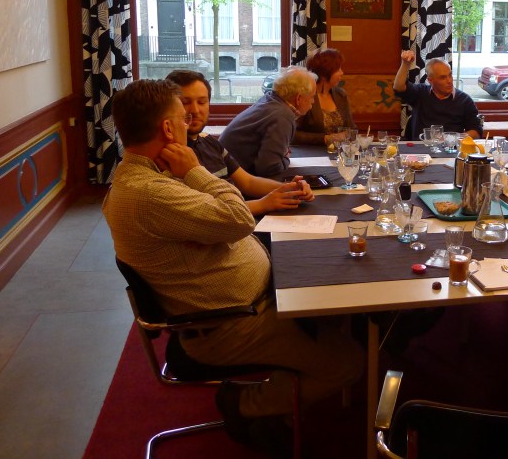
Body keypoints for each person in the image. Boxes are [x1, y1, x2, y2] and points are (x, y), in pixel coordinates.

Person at [103, 79, 363, 452]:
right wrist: (196, 170)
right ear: (168, 129)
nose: (189, 121)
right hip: (229, 325)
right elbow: (239, 217)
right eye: (182, 116)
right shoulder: (150, 193)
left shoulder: (146, 175)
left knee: (330, 300)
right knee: (349, 362)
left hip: (247, 301)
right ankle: (244, 404)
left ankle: (284, 392)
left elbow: (222, 219)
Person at [165, 70, 315, 215]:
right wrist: (263, 204)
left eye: (202, 102)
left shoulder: (208, 141)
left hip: (240, 210)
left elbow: (248, 182)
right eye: (185, 102)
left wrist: (288, 188)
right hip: (234, 219)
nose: (195, 110)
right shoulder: (171, 156)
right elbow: (206, 211)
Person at [220, 67, 317, 178]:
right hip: (231, 180)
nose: (313, 101)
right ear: (299, 98)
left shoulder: (270, 100)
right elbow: (268, 168)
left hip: (226, 170)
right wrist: (286, 158)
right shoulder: (283, 116)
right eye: (312, 97)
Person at [393, 49, 483, 140]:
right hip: (421, 146)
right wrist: (405, 64)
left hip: (451, 147)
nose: (449, 81)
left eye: (450, 75)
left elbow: (476, 131)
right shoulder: (420, 93)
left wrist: (453, 137)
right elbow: (398, 87)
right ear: (430, 80)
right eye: (443, 77)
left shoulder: (464, 100)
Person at [295, 48, 357, 146]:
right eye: (338, 69)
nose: (342, 72)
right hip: (311, 153)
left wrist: (349, 135)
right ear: (324, 73)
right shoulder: (304, 96)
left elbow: (352, 129)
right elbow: (293, 135)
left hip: (339, 152)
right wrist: (324, 139)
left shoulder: (341, 95)